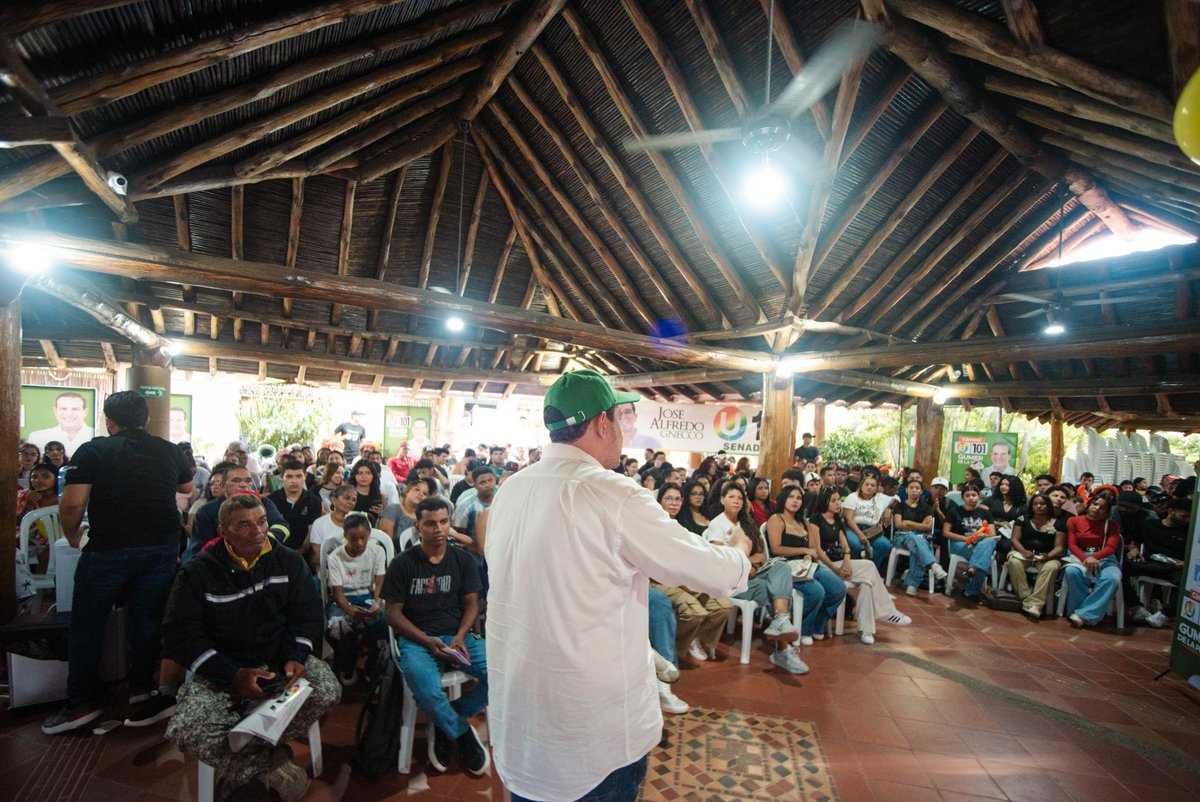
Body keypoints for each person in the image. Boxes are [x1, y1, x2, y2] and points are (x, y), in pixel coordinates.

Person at [484, 369, 752, 802]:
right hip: (592, 736)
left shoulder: (511, 490)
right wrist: (739, 551)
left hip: (524, 726)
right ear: (602, 423)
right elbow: (707, 569)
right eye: (622, 417)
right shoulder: (612, 494)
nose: (625, 431)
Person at [163, 493, 340, 801]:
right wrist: (232, 675)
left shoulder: (288, 561)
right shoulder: (199, 572)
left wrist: (295, 657)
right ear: (223, 530)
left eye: (261, 522)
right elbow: (181, 636)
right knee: (188, 729)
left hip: (277, 662)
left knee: (327, 690)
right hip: (223, 670)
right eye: (244, 525)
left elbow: (308, 616)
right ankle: (269, 764)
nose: (258, 532)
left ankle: (245, 755)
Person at [42, 391, 193, 735]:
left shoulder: (94, 450)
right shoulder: (168, 449)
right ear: (147, 419)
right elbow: (187, 484)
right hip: (160, 545)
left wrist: (71, 537)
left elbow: (72, 504)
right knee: (146, 619)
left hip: (110, 548)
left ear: (109, 421)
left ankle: (80, 704)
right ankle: (141, 688)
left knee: (88, 623)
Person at [384, 496, 490, 776]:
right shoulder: (403, 564)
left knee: (502, 672)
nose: (439, 529)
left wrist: (459, 636)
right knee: (428, 691)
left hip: (458, 636)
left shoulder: (463, 559)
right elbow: (392, 614)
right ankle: (460, 732)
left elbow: (472, 603)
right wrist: (425, 640)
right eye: (430, 523)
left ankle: (447, 719)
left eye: (443, 522)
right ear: (418, 527)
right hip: (418, 639)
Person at [806, 489, 912, 645]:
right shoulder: (815, 519)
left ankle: (866, 630)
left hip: (840, 562)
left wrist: (847, 561)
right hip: (824, 565)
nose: (838, 503)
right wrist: (836, 569)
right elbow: (818, 550)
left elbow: (845, 546)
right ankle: (884, 612)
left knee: (867, 581)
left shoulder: (837, 518)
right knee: (869, 571)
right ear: (824, 502)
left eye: (838, 500)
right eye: (833, 500)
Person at [766, 486, 848, 645]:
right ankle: (802, 628)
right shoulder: (776, 519)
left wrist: (807, 556)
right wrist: (804, 550)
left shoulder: (803, 522)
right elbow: (776, 549)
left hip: (807, 565)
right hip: (785, 567)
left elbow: (812, 548)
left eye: (798, 498)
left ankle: (815, 624)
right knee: (817, 591)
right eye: (791, 497)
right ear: (783, 498)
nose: (795, 501)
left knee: (839, 588)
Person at [325, 512, 387, 685]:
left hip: (368, 596)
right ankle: (347, 664)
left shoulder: (377, 551)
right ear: (345, 536)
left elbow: (380, 581)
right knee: (338, 626)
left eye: (363, 538)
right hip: (345, 598)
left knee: (384, 620)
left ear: (369, 535)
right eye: (353, 539)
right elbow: (338, 593)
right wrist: (348, 609)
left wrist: (377, 602)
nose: (359, 543)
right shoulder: (335, 557)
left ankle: (373, 665)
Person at [187, 464, 289, 561]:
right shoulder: (207, 511)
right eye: (236, 481)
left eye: (248, 481)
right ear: (223, 486)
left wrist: (263, 541)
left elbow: (282, 526)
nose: (243, 485)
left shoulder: (264, 503)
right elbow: (199, 549)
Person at [1126, 497, 1190, 628]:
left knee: (1189, 583)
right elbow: (1134, 543)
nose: (1186, 520)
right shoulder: (1149, 525)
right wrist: (1133, 549)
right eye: (1183, 516)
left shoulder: (1188, 531)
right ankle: (1136, 607)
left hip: (1175, 568)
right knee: (1118, 569)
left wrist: (1185, 563)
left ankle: (1165, 614)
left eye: (1189, 517)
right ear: (1171, 511)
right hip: (1150, 564)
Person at [1005, 493, 1066, 619]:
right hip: (1023, 553)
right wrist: (1023, 551)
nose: (1039, 506)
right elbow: (1014, 540)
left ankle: (1035, 603)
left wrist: (1048, 556)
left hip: (1047, 556)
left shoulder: (1058, 524)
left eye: (1042, 504)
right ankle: (1027, 598)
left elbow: (1059, 547)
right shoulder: (1022, 519)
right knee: (1013, 562)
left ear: (1048, 506)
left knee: (1052, 567)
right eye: (1035, 504)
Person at [1064, 495, 1122, 628]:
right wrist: (1086, 558)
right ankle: (1079, 609)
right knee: (1071, 572)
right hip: (1080, 555)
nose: (1097, 508)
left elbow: (1111, 548)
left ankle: (1084, 614)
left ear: (1107, 511)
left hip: (1105, 557)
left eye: (1102, 507)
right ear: (1088, 505)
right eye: (1095, 504)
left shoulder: (1112, 526)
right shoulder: (1074, 521)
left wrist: (1095, 557)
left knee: (1112, 578)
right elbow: (1072, 545)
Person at [892, 479, 948, 596]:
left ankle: (912, 585)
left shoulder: (926, 507)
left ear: (921, 491)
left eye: (917, 488)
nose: (914, 490)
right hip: (901, 537)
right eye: (911, 487)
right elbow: (898, 524)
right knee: (917, 540)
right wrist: (918, 526)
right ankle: (932, 565)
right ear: (906, 490)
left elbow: (928, 526)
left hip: (919, 538)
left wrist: (908, 523)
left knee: (917, 545)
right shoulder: (900, 506)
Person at [943, 485, 999, 602]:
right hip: (960, 543)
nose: (971, 498)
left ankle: (972, 570)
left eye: (974, 495)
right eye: (967, 495)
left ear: (979, 497)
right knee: (984, 554)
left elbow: (992, 534)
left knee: (988, 542)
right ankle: (972, 590)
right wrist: (965, 538)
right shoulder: (955, 511)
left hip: (980, 544)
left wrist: (983, 536)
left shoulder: (985, 513)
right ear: (962, 497)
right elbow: (946, 532)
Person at [268, 459, 325, 553]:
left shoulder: (314, 501)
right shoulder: (271, 500)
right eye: (289, 477)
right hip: (275, 551)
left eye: (299, 476)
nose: (294, 481)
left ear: (305, 476)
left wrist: (302, 550)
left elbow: (312, 530)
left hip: (303, 552)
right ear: (282, 477)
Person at [843, 474, 894, 575]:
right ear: (861, 486)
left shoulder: (880, 498)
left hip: (872, 530)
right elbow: (848, 518)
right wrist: (860, 534)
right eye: (867, 484)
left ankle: (871, 570)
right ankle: (854, 570)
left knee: (884, 545)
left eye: (872, 485)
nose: (869, 487)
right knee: (855, 545)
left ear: (876, 489)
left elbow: (896, 499)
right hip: (853, 528)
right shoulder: (853, 497)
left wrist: (889, 509)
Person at [27, 391, 95, 458]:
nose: (69, 414)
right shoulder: (37, 437)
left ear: (85, 412)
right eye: (63, 409)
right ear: (55, 411)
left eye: (75, 409)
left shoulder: (96, 437)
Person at [379, 478, 429, 545]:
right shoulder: (394, 509)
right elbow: (386, 541)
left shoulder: (424, 517)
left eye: (425, 493)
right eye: (417, 490)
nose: (421, 494)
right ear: (407, 492)